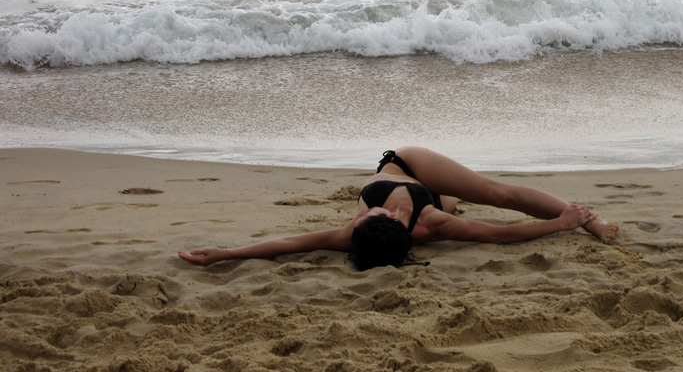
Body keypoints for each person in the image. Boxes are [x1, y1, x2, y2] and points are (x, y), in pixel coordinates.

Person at [178, 147, 618, 270]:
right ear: (393, 219)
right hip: (434, 199)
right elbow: (501, 235)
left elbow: (289, 243)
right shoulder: (433, 224)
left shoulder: (354, 233)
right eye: (362, 217)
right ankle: (581, 218)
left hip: (408, 166)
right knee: (458, 202)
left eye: (359, 218)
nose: (357, 216)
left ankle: (592, 220)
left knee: (494, 192)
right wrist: (560, 224)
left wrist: (227, 253)